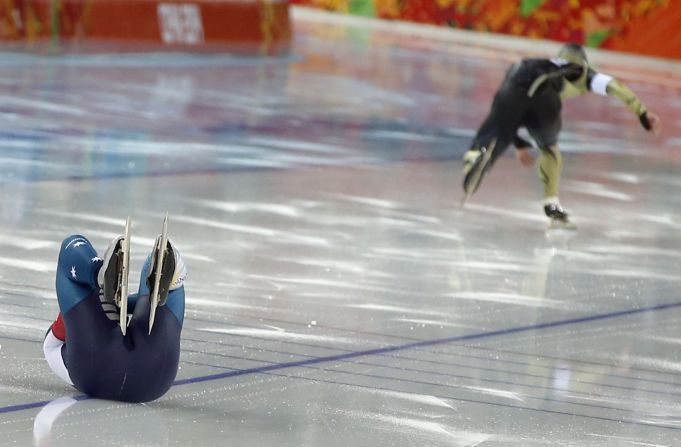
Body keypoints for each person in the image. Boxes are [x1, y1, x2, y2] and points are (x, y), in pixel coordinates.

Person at [461, 43, 661, 227]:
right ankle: (552, 205)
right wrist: (642, 113)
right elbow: (616, 87)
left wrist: (520, 144)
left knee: (496, 129)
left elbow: (503, 108)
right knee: (549, 149)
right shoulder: (581, 72)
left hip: (514, 84)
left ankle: (477, 157)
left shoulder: (534, 64)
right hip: (546, 102)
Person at [42, 221, 187, 402]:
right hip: (153, 376)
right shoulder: (52, 350)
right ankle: (97, 272)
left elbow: (71, 322)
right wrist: (117, 303)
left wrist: (110, 303)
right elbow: (63, 326)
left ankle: (103, 276)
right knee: (70, 247)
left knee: (157, 292)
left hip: (98, 372)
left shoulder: (64, 354)